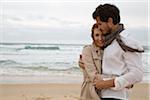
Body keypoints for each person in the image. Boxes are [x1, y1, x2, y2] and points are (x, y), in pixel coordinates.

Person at [79, 3, 144, 100]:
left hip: (117, 96)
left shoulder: (127, 41)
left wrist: (108, 83)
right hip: (102, 95)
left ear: (110, 21)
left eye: (100, 23)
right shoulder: (108, 42)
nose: (99, 27)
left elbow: (137, 74)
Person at [80, 23, 103, 100]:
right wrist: (116, 81)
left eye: (102, 35)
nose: (100, 38)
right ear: (92, 36)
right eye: (97, 35)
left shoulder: (108, 51)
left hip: (105, 93)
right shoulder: (87, 50)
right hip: (89, 93)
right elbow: (94, 76)